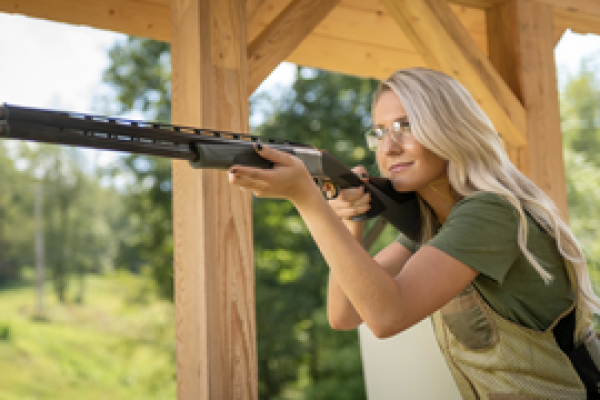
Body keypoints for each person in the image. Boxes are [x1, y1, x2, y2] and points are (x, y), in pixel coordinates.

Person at [228, 68, 600, 399]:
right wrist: (352, 216)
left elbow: (388, 316)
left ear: (450, 129)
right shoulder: (435, 226)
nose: (389, 148)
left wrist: (307, 200)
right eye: (380, 133)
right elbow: (344, 314)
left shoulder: (490, 213)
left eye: (406, 126)